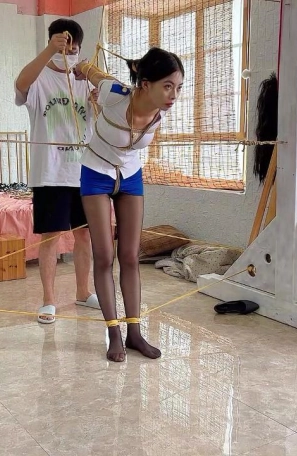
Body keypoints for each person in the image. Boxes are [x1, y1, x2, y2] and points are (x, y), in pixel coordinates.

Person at [73, 48, 184, 362]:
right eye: (167, 86)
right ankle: (113, 333)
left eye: (178, 88)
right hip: (96, 173)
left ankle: (134, 332)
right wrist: (81, 66)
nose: (174, 95)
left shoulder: (161, 112)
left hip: (131, 176)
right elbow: (95, 73)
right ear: (145, 84)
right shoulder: (114, 93)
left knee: (131, 256)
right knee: (104, 255)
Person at [14, 19, 100, 324]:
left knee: (84, 235)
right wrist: (50, 49)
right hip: (50, 173)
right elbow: (20, 84)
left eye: (74, 47)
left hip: (85, 172)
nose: (69, 52)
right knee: (50, 237)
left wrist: (98, 94)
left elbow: (109, 112)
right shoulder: (39, 79)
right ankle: (48, 300)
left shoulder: (86, 79)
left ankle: (83, 292)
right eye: (63, 46)